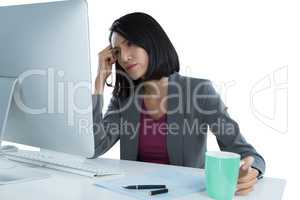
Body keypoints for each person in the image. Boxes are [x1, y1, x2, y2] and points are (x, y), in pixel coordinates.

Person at [92, 12, 265, 196]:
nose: (124, 57)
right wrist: (99, 83)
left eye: (130, 44)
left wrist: (252, 169)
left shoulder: (199, 91)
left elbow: (245, 152)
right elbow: (94, 147)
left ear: (152, 42)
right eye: (117, 51)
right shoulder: (123, 98)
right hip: (135, 193)